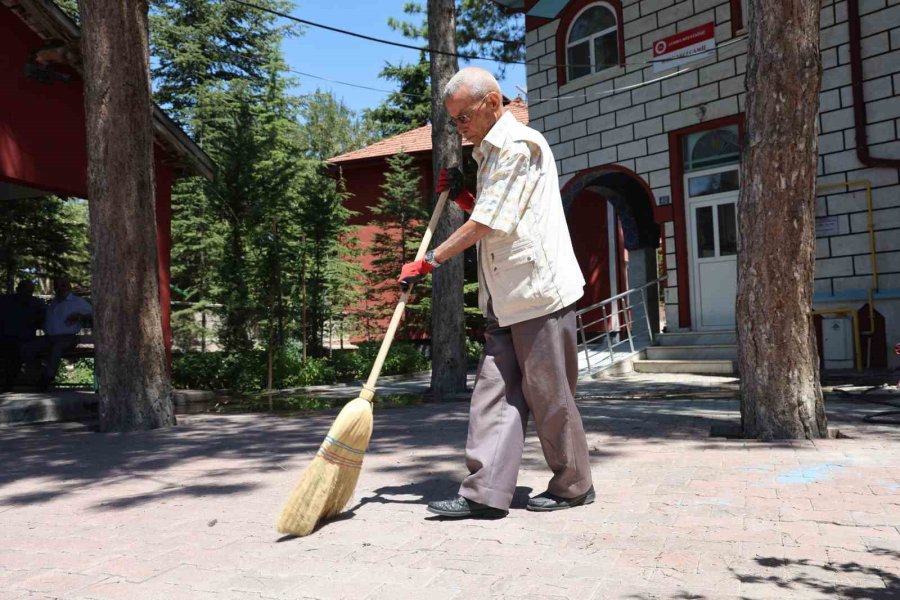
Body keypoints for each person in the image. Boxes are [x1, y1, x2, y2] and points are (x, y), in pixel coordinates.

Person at [398, 67, 593, 519]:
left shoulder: (518, 146)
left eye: (463, 116)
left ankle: (574, 484)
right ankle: (484, 492)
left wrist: (429, 260)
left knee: (549, 395)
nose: (459, 127)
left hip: (539, 294)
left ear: (492, 103)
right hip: (503, 296)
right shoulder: (488, 153)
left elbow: (491, 223)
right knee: (493, 392)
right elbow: (496, 213)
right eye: (453, 120)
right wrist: (466, 196)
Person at [21, 277, 92, 390]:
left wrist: (79, 316)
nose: (59, 289)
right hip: (49, 338)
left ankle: (48, 378)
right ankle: (39, 375)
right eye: (56, 287)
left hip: (68, 337)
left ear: (68, 286)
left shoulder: (77, 301)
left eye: (62, 285)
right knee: (27, 348)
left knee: (57, 348)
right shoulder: (54, 302)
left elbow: (93, 313)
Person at [0, 280, 46, 392]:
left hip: (25, 338)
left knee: (19, 350)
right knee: (9, 349)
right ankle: (8, 381)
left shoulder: (36, 303)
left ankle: (9, 381)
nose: (28, 293)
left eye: (30, 291)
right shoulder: (6, 301)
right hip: (5, 337)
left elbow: (45, 315)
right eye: (25, 290)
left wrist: (36, 319)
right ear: (18, 290)